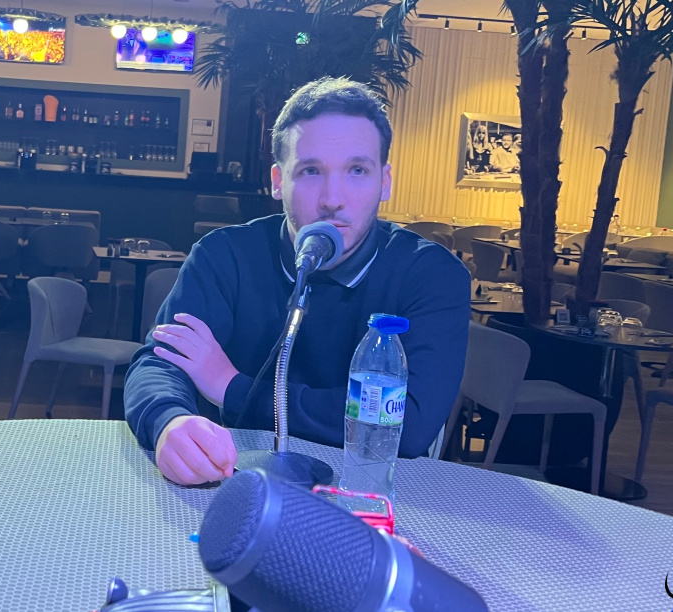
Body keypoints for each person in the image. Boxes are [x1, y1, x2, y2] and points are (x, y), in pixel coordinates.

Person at [123, 77, 469, 486]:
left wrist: (231, 387)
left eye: (357, 170)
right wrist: (169, 421)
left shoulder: (431, 275)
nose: (332, 199)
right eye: (310, 171)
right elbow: (159, 362)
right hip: (238, 483)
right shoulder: (224, 255)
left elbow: (409, 424)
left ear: (385, 181)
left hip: (375, 493)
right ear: (277, 180)